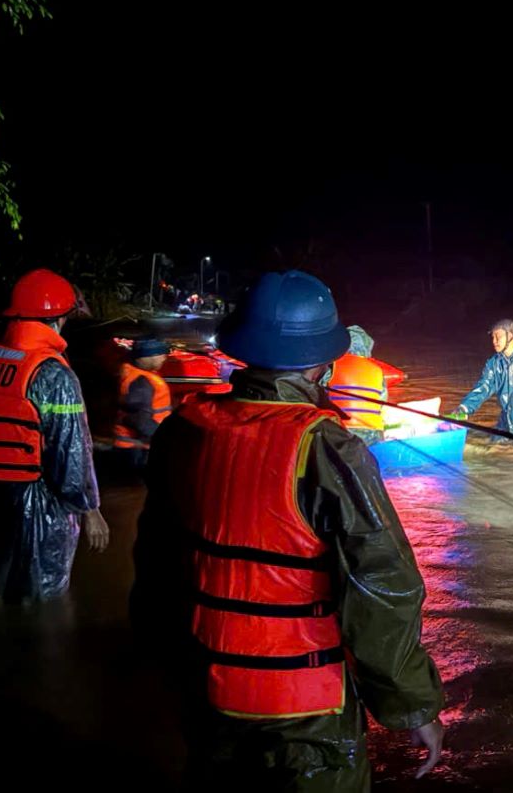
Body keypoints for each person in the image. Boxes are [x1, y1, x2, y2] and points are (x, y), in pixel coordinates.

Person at [131, 270, 445, 790]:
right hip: (304, 709)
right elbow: (383, 588)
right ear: (322, 361)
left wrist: (159, 666)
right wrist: (412, 705)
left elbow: (154, 563)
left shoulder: (184, 428)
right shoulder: (327, 449)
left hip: (205, 689)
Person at [0, 268, 109, 602]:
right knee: (41, 593)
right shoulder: (53, 374)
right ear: (58, 318)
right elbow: (70, 451)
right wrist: (90, 510)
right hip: (38, 499)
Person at [112, 336, 171, 468]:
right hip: (137, 449)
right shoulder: (140, 381)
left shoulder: (136, 375)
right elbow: (138, 419)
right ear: (146, 357)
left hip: (135, 447)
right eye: (160, 354)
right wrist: (163, 438)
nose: (164, 357)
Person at [327, 325, 387, 445]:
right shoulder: (378, 370)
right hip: (374, 431)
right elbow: (382, 401)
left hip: (340, 430)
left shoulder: (331, 365)